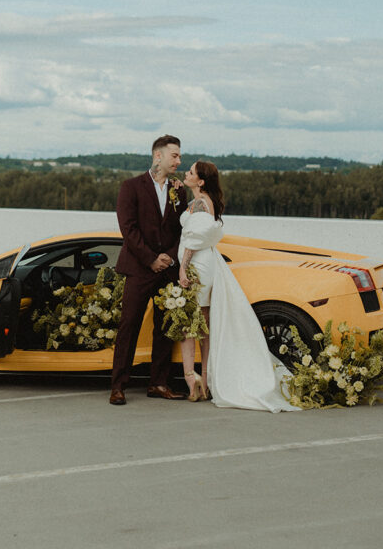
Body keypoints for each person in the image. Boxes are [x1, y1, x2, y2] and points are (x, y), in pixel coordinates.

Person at [178, 160, 299, 412]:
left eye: (190, 172)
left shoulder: (199, 203)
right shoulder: (206, 201)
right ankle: (207, 379)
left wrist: (182, 267)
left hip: (197, 264)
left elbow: (194, 238)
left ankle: (194, 379)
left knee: (190, 323)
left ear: (200, 181)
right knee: (204, 323)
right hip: (207, 263)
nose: (185, 173)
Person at [109, 134, 188, 405]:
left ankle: (159, 383)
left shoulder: (179, 191)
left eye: (179, 156)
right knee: (128, 325)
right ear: (158, 156)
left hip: (167, 270)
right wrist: (151, 258)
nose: (179, 160)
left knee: (165, 328)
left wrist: (168, 256)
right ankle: (118, 386)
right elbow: (128, 229)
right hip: (139, 268)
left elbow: (183, 229)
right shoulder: (130, 187)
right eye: (174, 155)